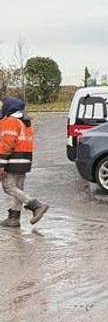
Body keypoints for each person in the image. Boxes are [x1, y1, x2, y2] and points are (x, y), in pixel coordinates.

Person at [0, 97, 49, 228]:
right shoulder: (25, 122)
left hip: (13, 160)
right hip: (24, 161)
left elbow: (6, 144)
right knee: (18, 189)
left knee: (9, 187)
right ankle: (14, 218)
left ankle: (36, 205)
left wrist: (1, 164)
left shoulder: (10, 121)